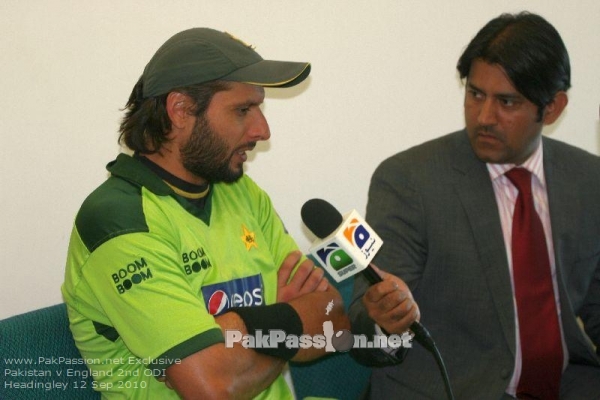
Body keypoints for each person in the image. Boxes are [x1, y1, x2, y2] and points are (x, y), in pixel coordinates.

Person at [62, 27, 349, 399]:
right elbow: (213, 388)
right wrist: (284, 320)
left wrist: (238, 333)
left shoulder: (241, 192)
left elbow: (333, 317)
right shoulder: (119, 219)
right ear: (180, 110)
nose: (263, 130)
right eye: (243, 109)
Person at [349, 11, 600, 399]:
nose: (484, 117)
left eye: (507, 102)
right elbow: (366, 321)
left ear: (552, 108)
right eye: (475, 94)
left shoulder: (588, 180)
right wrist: (384, 319)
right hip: (451, 391)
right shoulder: (409, 181)